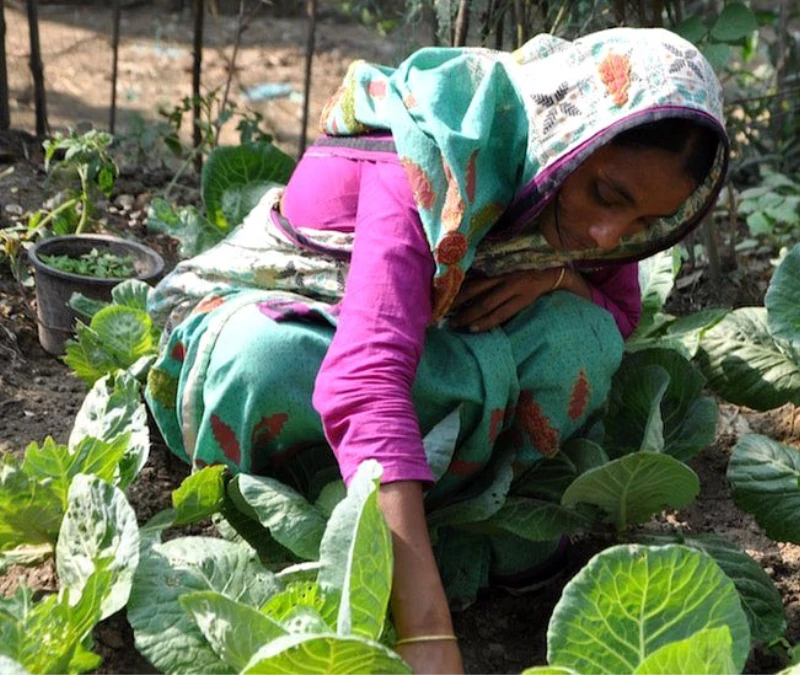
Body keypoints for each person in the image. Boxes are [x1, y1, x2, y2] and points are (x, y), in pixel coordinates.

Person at [144, 27, 728, 674]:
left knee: (581, 337)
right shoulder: (434, 150)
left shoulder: (589, 196)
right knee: (263, 360)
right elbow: (365, 379)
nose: (608, 233)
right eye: (608, 197)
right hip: (309, 333)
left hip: (422, 358)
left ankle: (411, 527)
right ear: (571, 138)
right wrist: (427, 632)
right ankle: (375, 529)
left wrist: (560, 275)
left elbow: (619, 314)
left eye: (645, 223)